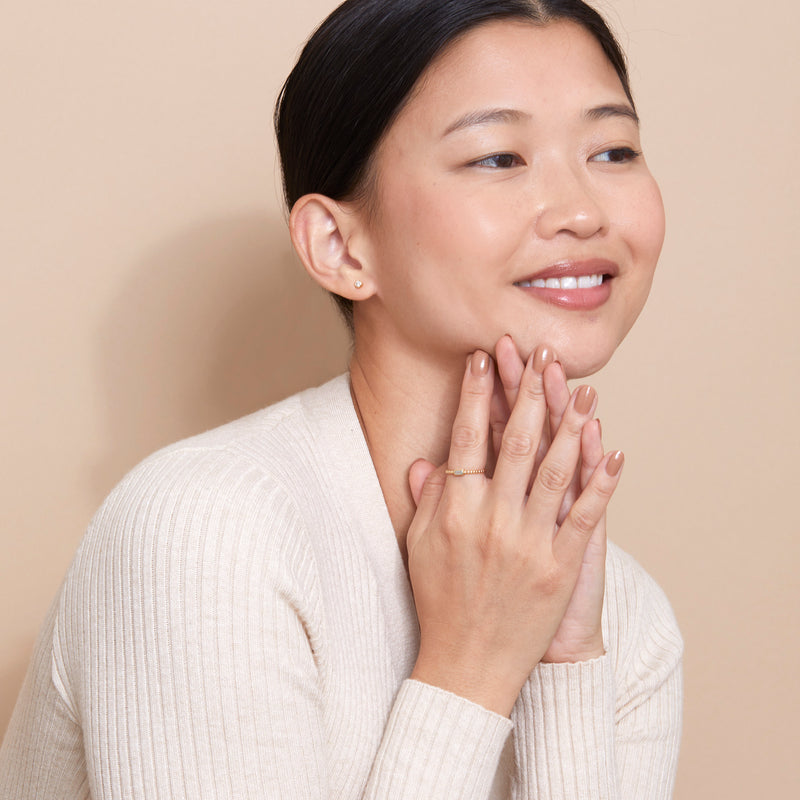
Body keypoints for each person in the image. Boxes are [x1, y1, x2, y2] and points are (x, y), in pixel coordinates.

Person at [0, 0, 683, 797]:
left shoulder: (622, 616)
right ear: (339, 245)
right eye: (499, 158)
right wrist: (473, 667)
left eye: (614, 150)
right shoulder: (205, 533)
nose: (582, 211)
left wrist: (567, 666)